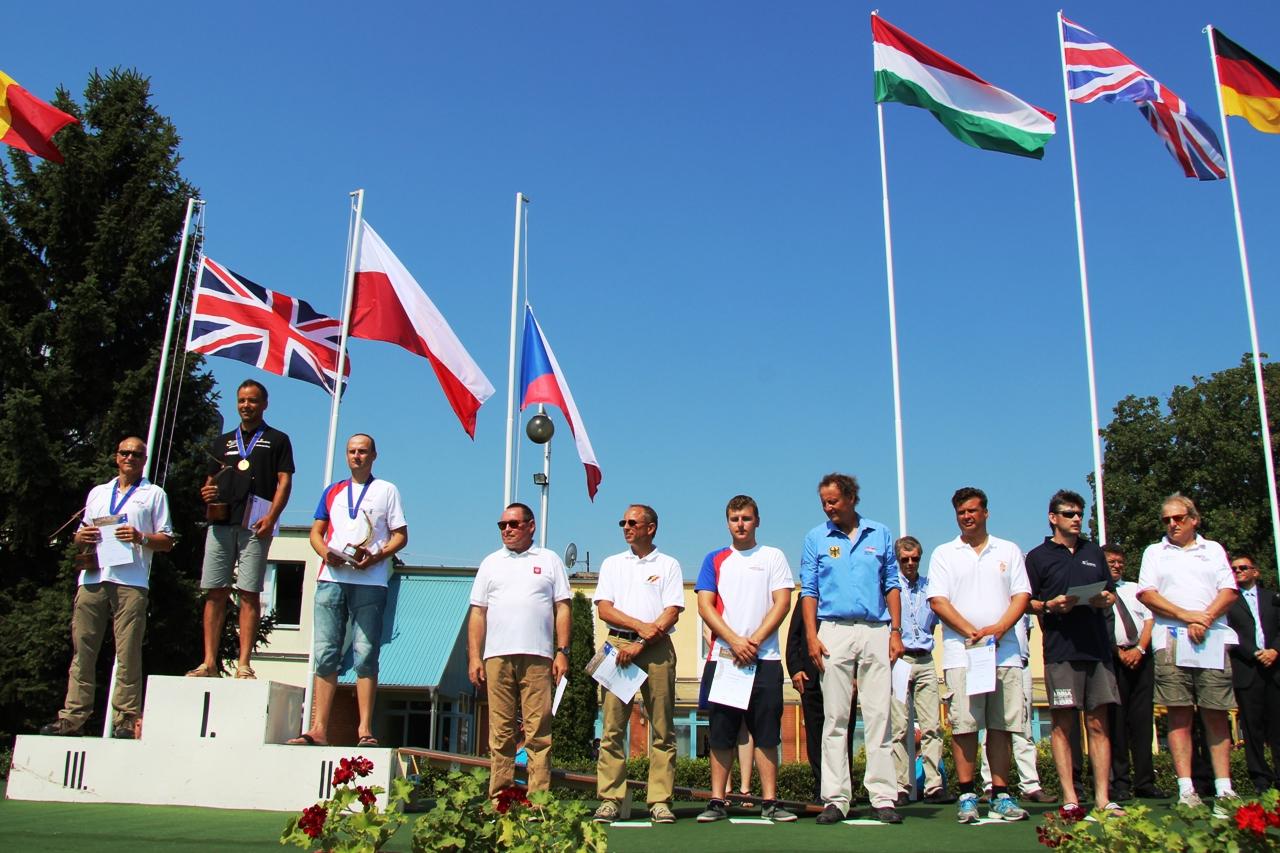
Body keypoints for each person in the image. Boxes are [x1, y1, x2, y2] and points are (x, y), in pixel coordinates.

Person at [41, 437, 174, 738]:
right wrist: (82, 537)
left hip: (131, 581)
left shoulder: (154, 494)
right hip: (93, 578)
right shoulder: (99, 492)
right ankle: (73, 717)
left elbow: (167, 541)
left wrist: (141, 537)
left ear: (144, 460)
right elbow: (79, 534)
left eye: (137, 454)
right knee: (83, 650)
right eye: (125, 453)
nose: (130, 458)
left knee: (128, 651)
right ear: (116, 457)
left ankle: (125, 719)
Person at [289, 434, 407, 747]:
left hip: (371, 581)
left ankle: (364, 730)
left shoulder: (387, 490)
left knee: (366, 654)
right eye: (352, 451)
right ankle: (318, 729)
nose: (357, 456)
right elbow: (316, 533)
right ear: (346, 455)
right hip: (331, 579)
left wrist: (377, 556)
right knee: (325, 653)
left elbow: (400, 535)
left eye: (363, 451)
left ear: (374, 455)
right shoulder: (333, 490)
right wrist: (324, 552)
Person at [801, 473, 904, 825]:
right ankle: (835, 798)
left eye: (833, 501)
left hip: (875, 629)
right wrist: (811, 636)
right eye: (824, 502)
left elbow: (891, 583)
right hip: (834, 630)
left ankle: (883, 797)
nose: (828, 507)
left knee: (879, 715)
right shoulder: (816, 538)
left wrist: (896, 631)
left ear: (851, 498)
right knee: (835, 718)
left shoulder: (880, 533)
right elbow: (809, 589)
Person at [927, 486, 1031, 824]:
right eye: (961, 512)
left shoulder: (1009, 550)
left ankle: (1000, 793)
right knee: (965, 726)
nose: (967, 517)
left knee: (1001, 725)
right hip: (962, 653)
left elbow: (1021, 595)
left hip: (1004, 653)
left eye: (972, 510)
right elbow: (938, 600)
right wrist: (972, 631)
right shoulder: (945, 553)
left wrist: (999, 628)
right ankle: (967, 794)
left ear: (985, 512)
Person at [694, 495, 796, 823]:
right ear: (727, 523)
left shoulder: (773, 556)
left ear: (757, 521)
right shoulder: (714, 559)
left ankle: (770, 801)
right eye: (735, 519)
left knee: (766, 733)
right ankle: (717, 801)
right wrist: (735, 641)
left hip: (765, 659)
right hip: (725, 658)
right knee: (721, 733)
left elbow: (782, 603)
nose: (741, 524)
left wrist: (754, 641)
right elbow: (704, 605)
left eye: (746, 518)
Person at [1136, 493, 1240, 813]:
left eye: (1178, 518)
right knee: (1178, 713)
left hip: (1211, 638)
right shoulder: (1155, 552)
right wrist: (1186, 616)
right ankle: (1186, 788)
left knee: (1215, 712)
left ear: (1194, 519)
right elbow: (1147, 594)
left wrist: (1204, 618)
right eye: (1166, 519)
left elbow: (1229, 590)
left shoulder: (1213, 550)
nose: (1172, 524)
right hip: (1170, 639)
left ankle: (1224, 788)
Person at [1026, 490, 1122, 819]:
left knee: (1098, 723)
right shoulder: (1038, 557)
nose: (1077, 518)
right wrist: (1049, 605)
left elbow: (1110, 591)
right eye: (1069, 513)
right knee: (1063, 724)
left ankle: (1103, 798)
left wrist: (1105, 599)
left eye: (1080, 513)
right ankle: (1070, 797)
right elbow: (1025, 601)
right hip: (1060, 652)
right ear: (1053, 518)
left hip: (1096, 649)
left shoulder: (1094, 552)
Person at [188, 379, 294, 679]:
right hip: (221, 522)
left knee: (249, 592)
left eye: (253, 400)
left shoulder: (277, 439)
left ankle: (244, 663)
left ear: (264, 404)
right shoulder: (222, 442)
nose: (247, 406)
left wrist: (272, 517)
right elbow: (210, 481)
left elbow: (284, 481)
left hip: (256, 525)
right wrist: (206, 492)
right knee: (215, 591)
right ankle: (209, 662)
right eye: (242, 400)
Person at [592, 504, 684, 824]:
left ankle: (659, 800)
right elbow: (605, 609)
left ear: (651, 527)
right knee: (612, 728)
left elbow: (672, 612)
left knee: (662, 728)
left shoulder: (668, 564)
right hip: (618, 647)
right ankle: (610, 799)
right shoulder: (612, 563)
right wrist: (637, 628)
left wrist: (642, 641)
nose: (626, 527)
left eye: (632, 522)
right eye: (623, 522)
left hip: (656, 649)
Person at [468, 503, 569, 796]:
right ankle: (500, 797)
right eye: (502, 525)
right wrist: (474, 657)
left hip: (538, 656)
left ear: (531, 526)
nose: (507, 530)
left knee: (538, 732)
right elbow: (477, 613)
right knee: (500, 731)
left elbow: (563, 607)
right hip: (496, 656)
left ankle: (538, 800)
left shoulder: (549, 560)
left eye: (513, 524)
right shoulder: (490, 563)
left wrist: (562, 651)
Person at [889, 535, 954, 805]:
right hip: (900, 659)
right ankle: (901, 786)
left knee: (931, 726)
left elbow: (937, 620)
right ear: (897, 559)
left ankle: (933, 785)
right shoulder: (891, 588)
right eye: (905, 559)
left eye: (914, 558)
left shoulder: (930, 587)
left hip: (925, 658)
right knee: (899, 727)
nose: (910, 563)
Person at [1104, 543, 1163, 800]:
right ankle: (1120, 783)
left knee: (1142, 722)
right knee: (1116, 723)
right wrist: (1119, 652)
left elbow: (1149, 621)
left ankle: (1145, 782)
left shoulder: (1135, 589)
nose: (1117, 566)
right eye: (1111, 562)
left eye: (1120, 562)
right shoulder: (1098, 594)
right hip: (1113, 660)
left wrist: (1139, 649)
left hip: (1141, 659)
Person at [978, 615, 1058, 803]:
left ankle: (1030, 786)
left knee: (1024, 726)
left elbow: (1027, 632)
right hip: (992, 661)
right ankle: (990, 785)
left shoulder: (1022, 605)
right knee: (992, 727)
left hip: (1021, 664)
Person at [1226, 552, 1280, 793]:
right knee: (1251, 727)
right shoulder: (1229, 600)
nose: (1238, 571)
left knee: (1277, 726)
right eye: (1234, 569)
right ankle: (1260, 779)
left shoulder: (1272, 598)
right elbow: (1230, 632)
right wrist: (1255, 652)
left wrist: (1275, 650)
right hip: (1248, 668)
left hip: (1275, 669)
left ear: (1255, 571)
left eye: (1243, 568)